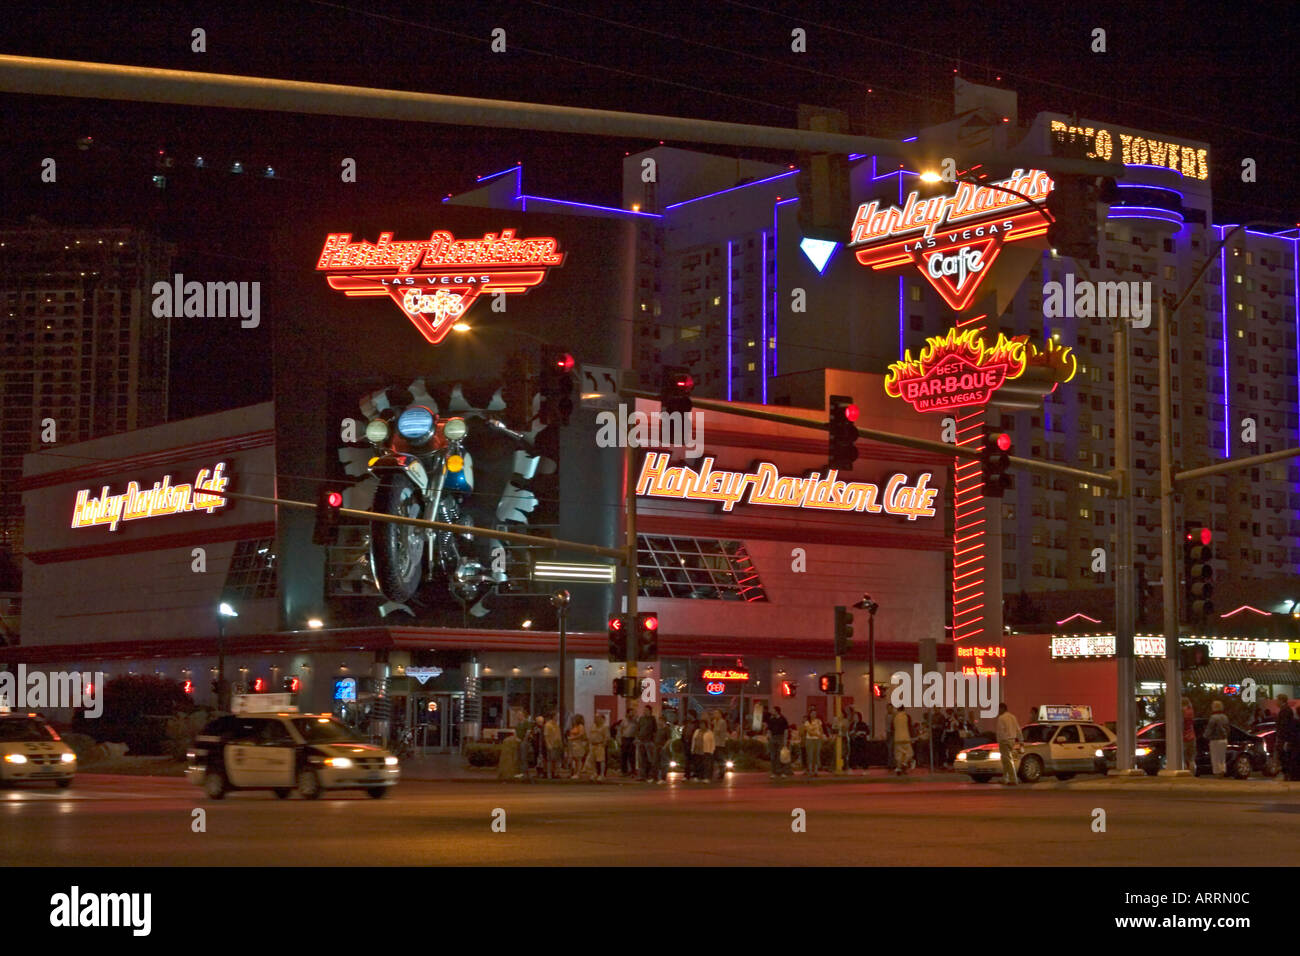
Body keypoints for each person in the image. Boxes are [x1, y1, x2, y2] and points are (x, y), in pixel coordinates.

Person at [995, 703, 1021, 785]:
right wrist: (1021, 740)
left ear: (1002, 708)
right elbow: (1018, 729)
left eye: (999, 709)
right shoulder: (1013, 717)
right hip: (1012, 740)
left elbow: (1001, 732)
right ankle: (1005, 778)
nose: (998, 711)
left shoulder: (1001, 718)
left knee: (1008, 760)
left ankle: (1013, 779)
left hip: (1004, 741)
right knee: (1006, 760)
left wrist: (1001, 741)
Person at [1205, 701, 1230, 777]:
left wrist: (1205, 736)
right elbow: (1228, 729)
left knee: (1215, 757)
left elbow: (1210, 729)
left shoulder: (1213, 718)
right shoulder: (1225, 717)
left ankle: (1217, 772)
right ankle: (1223, 770)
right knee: (1222, 757)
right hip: (1224, 739)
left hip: (1215, 739)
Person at [764, 707, 790, 778]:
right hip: (773, 737)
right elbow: (769, 729)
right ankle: (774, 772)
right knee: (773, 755)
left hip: (780, 737)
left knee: (781, 755)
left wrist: (785, 739)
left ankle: (782, 772)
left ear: (777, 711)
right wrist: (769, 737)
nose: (772, 712)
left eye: (774, 711)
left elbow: (786, 730)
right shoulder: (771, 720)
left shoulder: (783, 719)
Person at [635, 706, 658, 781]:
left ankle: (650, 775)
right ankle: (642, 775)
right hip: (641, 741)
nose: (645, 711)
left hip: (649, 741)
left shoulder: (652, 719)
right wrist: (637, 738)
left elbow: (655, 730)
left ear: (650, 711)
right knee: (641, 759)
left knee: (650, 759)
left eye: (646, 710)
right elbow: (638, 729)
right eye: (644, 710)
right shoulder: (641, 719)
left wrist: (653, 740)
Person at [692, 717, 715, 782]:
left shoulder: (709, 732)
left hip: (706, 750)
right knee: (698, 764)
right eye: (701, 724)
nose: (702, 726)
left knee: (706, 764)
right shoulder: (697, 731)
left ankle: (706, 777)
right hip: (697, 750)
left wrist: (712, 750)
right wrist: (692, 748)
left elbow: (712, 742)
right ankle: (699, 776)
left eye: (703, 724)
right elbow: (694, 740)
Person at [892, 706, 914, 775]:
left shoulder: (895, 717)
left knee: (899, 755)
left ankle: (899, 768)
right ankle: (904, 763)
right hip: (906, 738)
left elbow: (892, 728)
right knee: (909, 753)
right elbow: (910, 727)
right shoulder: (907, 717)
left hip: (897, 738)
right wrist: (912, 736)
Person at [802, 710, 824, 777]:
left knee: (816, 755)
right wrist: (817, 735)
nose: (814, 715)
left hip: (817, 740)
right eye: (812, 713)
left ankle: (816, 771)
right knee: (810, 755)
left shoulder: (818, 721)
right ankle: (810, 770)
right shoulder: (807, 722)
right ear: (810, 714)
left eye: (815, 713)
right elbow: (809, 732)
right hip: (810, 740)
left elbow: (821, 729)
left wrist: (820, 736)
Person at [588, 714, 610, 780]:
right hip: (593, 745)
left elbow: (607, 737)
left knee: (601, 760)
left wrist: (603, 744)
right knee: (592, 760)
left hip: (600, 745)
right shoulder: (593, 727)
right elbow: (590, 735)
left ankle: (602, 774)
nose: (596, 719)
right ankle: (594, 773)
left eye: (598, 718)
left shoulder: (604, 727)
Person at [567, 714, 589, 778]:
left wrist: (573, 738)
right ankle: (574, 772)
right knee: (574, 759)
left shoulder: (580, 726)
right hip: (572, 744)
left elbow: (581, 734)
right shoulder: (574, 726)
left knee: (578, 759)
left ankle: (578, 773)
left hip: (578, 744)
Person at [543, 712, 563, 779]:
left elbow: (558, 735)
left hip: (557, 745)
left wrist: (561, 744)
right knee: (550, 760)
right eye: (556, 716)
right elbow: (546, 736)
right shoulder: (548, 725)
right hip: (551, 745)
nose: (557, 717)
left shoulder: (556, 725)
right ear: (553, 716)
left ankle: (555, 773)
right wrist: (548, 745)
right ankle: (549, 774)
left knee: (556, 760)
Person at [619, 707, 638, 776]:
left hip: (632, 739)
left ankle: (633, 771)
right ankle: (624, 771)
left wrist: (636, 738)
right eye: (631, 712)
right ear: (627, 713)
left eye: (633, 712)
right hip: (625, 738)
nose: (632, 714)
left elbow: (637, 730)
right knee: (624, 755)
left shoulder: (635, 721)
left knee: (632, 756)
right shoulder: (624, 721)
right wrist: (620, 738)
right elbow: (620, 729)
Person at [681, 712, 699, 780]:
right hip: (686, 744)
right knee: (687, 760)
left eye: (689, 715)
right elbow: (684, 732)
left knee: (695, 760)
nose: (688, 717)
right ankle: (686, 775)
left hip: (693, 744)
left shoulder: (697, 724)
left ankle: (695, 774)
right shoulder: (687, 724)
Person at [655, 716, 673, 783]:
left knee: (663, 763)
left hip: (663, 748)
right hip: (657, 747)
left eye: (660, 721)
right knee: (656, 762)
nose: (658, 722)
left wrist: (665, 746)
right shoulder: (659, 729)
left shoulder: (667, 729)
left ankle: (663, 778)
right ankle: (657, 777)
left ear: (663, 721)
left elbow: (669, 739)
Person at [1181, 697, 1196, 773]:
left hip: (1184, 737)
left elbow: (1182, 724)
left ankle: (1185, 770)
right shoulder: (1191, 710)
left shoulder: (1182, 711)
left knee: (1183, 756)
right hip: (1192, 736)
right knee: (1191, 757)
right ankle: (1193, 770)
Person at [713, 710, 730, 778]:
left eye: (716, 713)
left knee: (720, 757)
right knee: (716, 757)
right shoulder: (714, 721)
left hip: (720, 742)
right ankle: (717, 771)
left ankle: (722, 771)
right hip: (714, 742)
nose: (715, 715)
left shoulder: (722, 722)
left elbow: (718, 730)